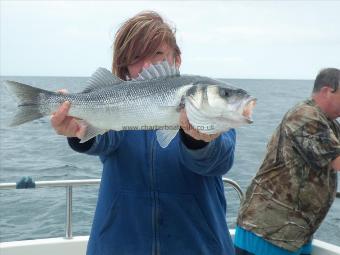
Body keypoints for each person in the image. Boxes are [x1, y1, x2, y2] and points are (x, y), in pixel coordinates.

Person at [51, 11, 237, 255]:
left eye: (157, 53)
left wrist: (197, 140)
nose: (147, 65)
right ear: (125, 66)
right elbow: (102, 140)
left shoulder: (207, 103)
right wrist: (76, 131)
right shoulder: (118, 107)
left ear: (177, 59)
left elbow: (218, 160)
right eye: (137, 57)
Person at [234, 68, 340, 255]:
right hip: (266, 232)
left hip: (293, 236)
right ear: (327, 90)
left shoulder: (330, 123)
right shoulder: (305, 115)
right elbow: (337, 161)